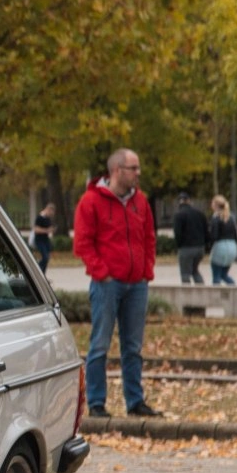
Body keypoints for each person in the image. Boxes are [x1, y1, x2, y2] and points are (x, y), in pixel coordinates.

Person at [73, 147, 159, 418]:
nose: (138, 173)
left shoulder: (140, 201)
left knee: (133, 347)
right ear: (117, 171)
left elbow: (149, 237)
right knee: (100, 343)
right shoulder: (90, 201)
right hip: (107, 284)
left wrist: (146, 271)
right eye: (133, 168)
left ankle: (135, 402)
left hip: (137, 284)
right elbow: (82, 243)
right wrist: (102, 272)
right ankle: (97, 403)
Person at [172, 192, 209, 284]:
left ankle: (187, 293)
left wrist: (179, 245)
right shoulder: (200, 213)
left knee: (185, 273)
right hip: (200, 247)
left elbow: (178, 233)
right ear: (189, 201)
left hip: (186, 248)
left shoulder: (178, 215)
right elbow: (206, 231)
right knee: (195, 271)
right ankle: (201, 290)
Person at [208, 194, 237, 285]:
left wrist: (208, 247)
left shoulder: (216, 218)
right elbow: (236, 234)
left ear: (215, 205)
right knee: (224, 274)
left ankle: (216, 295)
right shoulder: (232, 217)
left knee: (216, 275)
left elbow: (214, 236)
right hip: (232, 247)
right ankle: (234, 289)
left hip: (220, 247)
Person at [31, 203, 56, 273]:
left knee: (47, 258)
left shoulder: (48, 218)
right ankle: (37, 269)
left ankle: (43, 273)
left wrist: (51, 230)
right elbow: (36, 229)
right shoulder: (40, 217)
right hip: (39, 240)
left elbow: (49, 227)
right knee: (45, 257)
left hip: (46, 240)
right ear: (48, 209)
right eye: (50, 213)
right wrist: (46, 230)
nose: (51, 215)